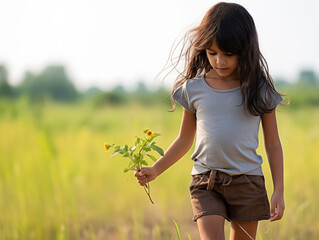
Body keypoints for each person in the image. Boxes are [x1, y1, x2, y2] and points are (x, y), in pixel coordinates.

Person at [135, 2, 285, 239]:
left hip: (248, 183)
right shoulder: (194, 89)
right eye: (212, 53)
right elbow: (184, 139)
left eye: (228, 54)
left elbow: (273, 143)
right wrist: (156, 168)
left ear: (245, 49)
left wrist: (279, 189)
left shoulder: (258, 90)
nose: (219, 61)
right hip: (206, 182)